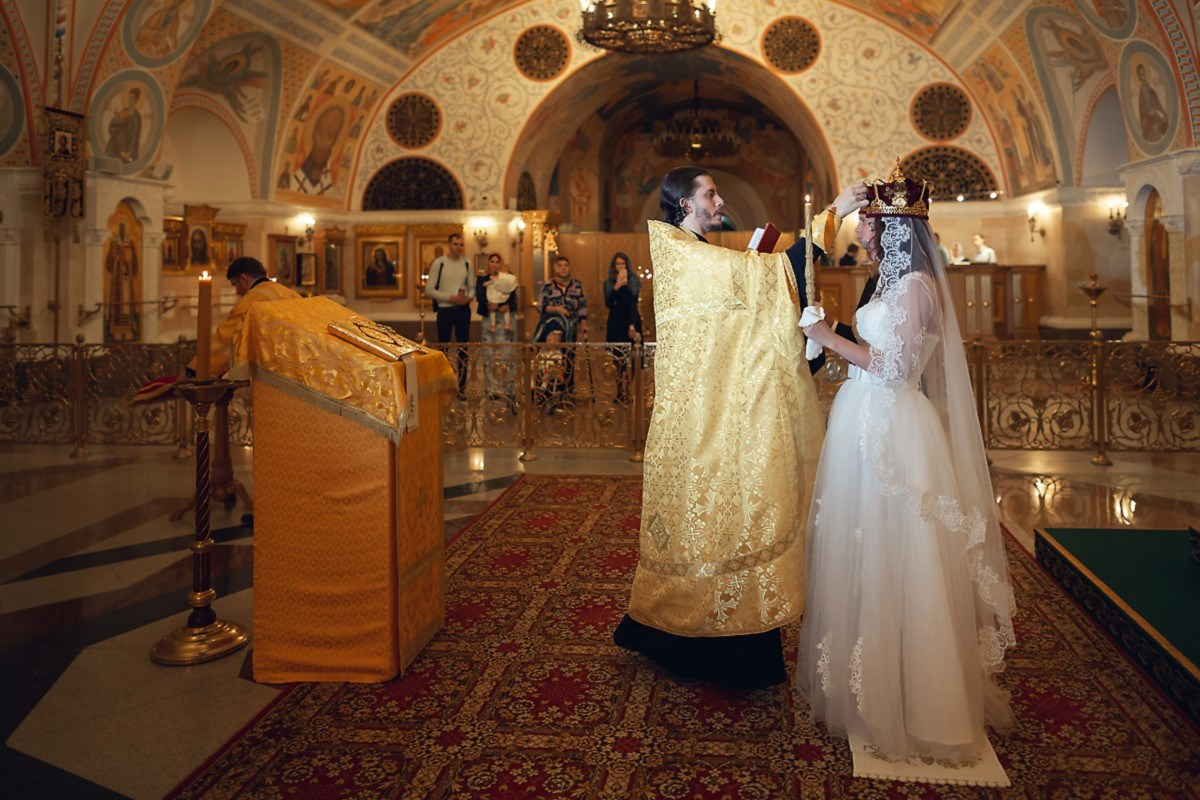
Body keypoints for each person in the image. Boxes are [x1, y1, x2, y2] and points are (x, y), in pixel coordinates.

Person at [613, 165, 868, 690]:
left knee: (732, 515)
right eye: (710, 193)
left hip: (724, 414)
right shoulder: (682, 252)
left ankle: (722, 639)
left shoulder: (699, 253)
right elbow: (769, 281)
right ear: (684, 204)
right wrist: (832, 215)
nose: (719, 199)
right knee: (711, 522)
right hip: (703, 423)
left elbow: (753, 297)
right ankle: (687, 637)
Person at [798, 164, 1016, 763]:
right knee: (866, 545)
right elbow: (880, 347)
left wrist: (827, 334)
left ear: (899, 228)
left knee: (904, 548)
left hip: (892, 424)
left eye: (873, 219)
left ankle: (923, 697)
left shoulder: (917, 285)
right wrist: (835, 333)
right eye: (864, 217)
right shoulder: (890, 281)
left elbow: (892, 368)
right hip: (864, 418)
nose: (864, 228)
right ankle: (874, 677)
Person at [188, 257, 301, 377]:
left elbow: (225, 339)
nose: (237, 292)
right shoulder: (292, 293)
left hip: (272, 370)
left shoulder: (250, 302)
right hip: (298, 365)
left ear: (243, 278)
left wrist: (194, 370)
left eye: (235, 285)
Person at [424, 232, 473, 397]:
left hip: (463, 310)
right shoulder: (440, 263)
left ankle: (462, 387)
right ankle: (443, 385)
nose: (458, 248)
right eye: (455, 244)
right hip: (445, 309)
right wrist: (450, 297)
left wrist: (469, 297)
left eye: (461, 244)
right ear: (449, 245)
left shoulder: (467, 263)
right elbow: (429, 289)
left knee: (463, 348)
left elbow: (472, 286)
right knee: (444, 347)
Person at [475, 252, 519, 400]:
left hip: (505, 319)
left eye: (497, 262)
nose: (494, 264)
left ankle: (508, 389)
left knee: (506, 353)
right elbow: (480, 296)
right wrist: (491, 305)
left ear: (501, 264)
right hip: (490, 319)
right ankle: (492, 389)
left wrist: (502, 305)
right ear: (488, 263)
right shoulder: (482, 279)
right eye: (492, 261)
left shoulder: (507, 278)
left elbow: (513, 295)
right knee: (490, 354)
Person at [603, 252, 642, 402]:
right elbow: (608, 303)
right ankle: (619, 391)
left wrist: (632, 326)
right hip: (615, 322)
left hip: (631, 321)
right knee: (617, 359)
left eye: (623, 264)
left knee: (632, 357)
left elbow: (633, 303)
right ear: (614, 266)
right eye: (618, 264)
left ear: (627, 265)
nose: (620, 267)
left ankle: (628, 389)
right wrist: (616, 287)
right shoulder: (609, 283)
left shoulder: (634, 281)